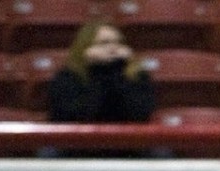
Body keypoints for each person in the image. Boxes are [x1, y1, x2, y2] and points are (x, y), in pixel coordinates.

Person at [43, 21, 156, 158]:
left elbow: (139, 114)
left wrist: (116, 71)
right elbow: (79, 115)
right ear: (85, 48)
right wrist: (98, 71)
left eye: (118, 42)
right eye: (104, 43)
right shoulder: (68, 77)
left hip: (128, 147)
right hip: (78, 148)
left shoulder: (137, 76)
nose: (113, 48)